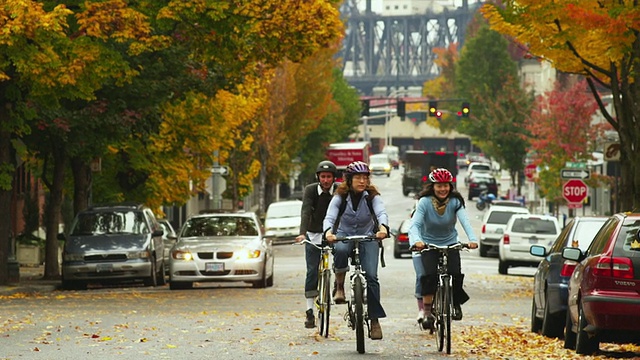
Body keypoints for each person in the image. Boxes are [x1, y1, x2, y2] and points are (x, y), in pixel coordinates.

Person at [323, 161, 390, 340]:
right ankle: (339, 287)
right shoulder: (340, 197)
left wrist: (383, 228)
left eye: (365, 177)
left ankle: (375, 320)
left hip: (368, 236)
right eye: (358, 177)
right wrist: (329, 232)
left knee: (372, 278)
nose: (362, 181)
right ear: (349, 179)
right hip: (344, 234)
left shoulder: (372, 197)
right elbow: (330, 217)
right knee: (341, 250)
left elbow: (381, 213)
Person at [408, 168, 478, 330]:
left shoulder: (455, 202)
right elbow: (415, 225)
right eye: (439, 186)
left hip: (450, 242)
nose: (443, 189)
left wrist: (472, 240)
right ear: (432, 186)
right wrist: (417, 241)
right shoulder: (424, 202)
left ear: (450, 186)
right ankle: (426, 312)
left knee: (456, 273)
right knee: (429, 275)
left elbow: (465, 222)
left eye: (446, 185)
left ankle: (456, 305)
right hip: (428, 244)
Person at [295, 160, 338, 329]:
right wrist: (302, 233)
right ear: (318, 177)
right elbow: (305, 211)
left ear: (334, 178)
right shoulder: (310, 190)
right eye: (323, 177)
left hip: (334, 234)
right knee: (312, 270)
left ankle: (338, 287)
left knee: (341, 259)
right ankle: (310, 311)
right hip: (313, 233)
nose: (326, 180)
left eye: (329, 177)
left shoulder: (340, 190)